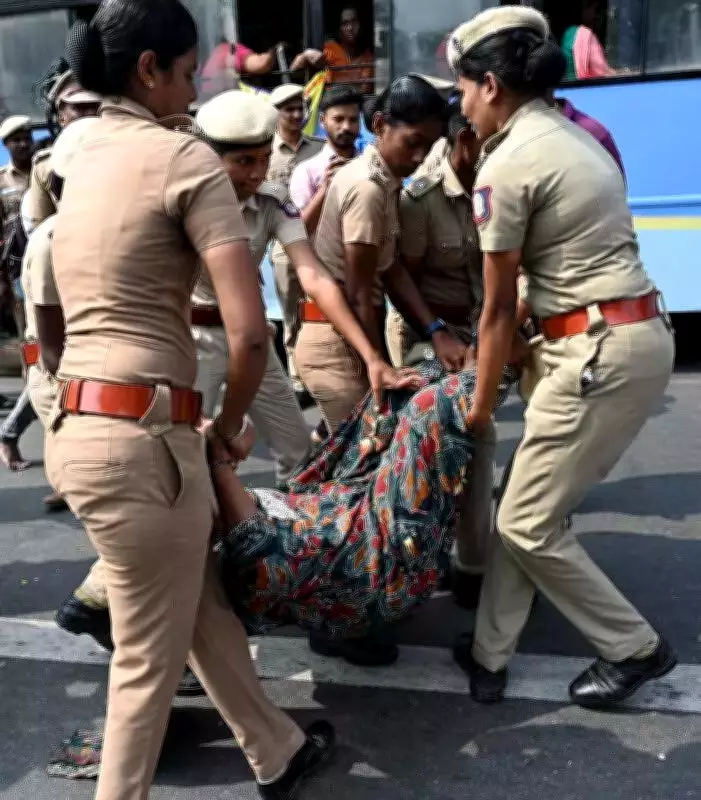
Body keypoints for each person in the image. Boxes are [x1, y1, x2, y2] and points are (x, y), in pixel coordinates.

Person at [48, 3, 336, 798]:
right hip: (146, 440)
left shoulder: (72, 154)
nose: (191, 87)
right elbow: (250, 338)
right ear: (149, 71)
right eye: (183, 73)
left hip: (80, 425)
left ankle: (274, 747)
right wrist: (228, 430)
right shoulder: (184, 160)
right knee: (146, 662)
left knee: (192, 592)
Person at [446, 5, 676, 710]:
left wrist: (478, 410)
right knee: (529, 503)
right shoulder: (574, 137)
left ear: (489, 85)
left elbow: (491, 309)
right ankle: (488, 654)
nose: (459, 104)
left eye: (460, 89)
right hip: (618, 337)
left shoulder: (508, 163)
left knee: (521, 522)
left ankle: (632, 647)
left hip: (594, 353)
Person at [296, 74, 468, 442]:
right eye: (412, 143)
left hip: (350, 335)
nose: (420, 157)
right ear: (379, 126)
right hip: (338, 341)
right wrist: (378, 362)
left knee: (359, 455)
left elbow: (390, 269)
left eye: (430, 145)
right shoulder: (368, 188)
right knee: (361, 462)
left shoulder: (386, 181)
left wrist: (435, 330)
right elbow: (360, 292)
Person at [386, 108, 502, 610]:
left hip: (483, 335)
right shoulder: (421, 199)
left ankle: (472, 566)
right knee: (448, 440)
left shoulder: (497, 188)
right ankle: (431, 563)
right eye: (487, 142)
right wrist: (436, 334)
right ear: (463, 141)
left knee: (479, 443)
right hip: (431, 335)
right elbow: (399, 277)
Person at [287, 83, 363, 442]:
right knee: (349, 420)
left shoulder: (369, 165)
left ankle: (323, 441)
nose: (347, 127)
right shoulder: (308, 170)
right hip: (325, 296)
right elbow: (297, 230)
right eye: (338, 119)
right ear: (323, 124)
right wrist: (325, 189)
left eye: (353, 119)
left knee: (362, 407)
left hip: (366, 296)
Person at [267, 83, 324, 407]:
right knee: (291, 314)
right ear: (277, 114)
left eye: (300, 108)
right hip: (282, 244)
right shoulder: (267, 152)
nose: (296, 114)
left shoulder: (318, 149)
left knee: (318, 309)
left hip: (316, 242)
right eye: (289, 109)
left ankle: (316, 374)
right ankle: (297, 378)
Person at [0, 115, 35, 472]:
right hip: (21, 273)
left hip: (62, 267)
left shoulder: (49, 168)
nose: (24, 144)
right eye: (16, 140)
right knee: (34, 344)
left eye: (27, 137)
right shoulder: (2, 182)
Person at [322, 6, 375, 94]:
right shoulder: (330, 49)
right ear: (339, 29)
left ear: (361, 25)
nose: (350, 28)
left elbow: (365, 91)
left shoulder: (368, 57)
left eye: (354, 21)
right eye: (345, 23)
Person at [562, 0, 615, 81]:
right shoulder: (587, 36)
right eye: (589, 6)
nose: (594, 11)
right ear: (580, 10)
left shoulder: (567, 33)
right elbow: (602, 73)